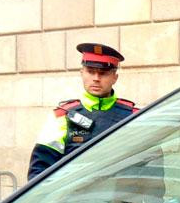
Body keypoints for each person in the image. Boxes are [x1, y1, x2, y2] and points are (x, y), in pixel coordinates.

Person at [27, 43, 139, 180]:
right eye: (91, 71)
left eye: (103, 73)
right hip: (74, 200)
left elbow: (149, 167)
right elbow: (39, 172)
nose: (96, 78)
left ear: (115, 78)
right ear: (82, 73)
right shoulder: (62, 117)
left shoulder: (134, 116)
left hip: (119, 199)